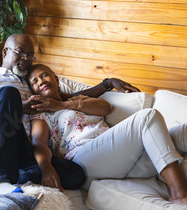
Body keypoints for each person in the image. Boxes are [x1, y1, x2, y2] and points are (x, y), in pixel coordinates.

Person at [0, 33, 139, 193]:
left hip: (24, 152)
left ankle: (19, 176)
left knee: (75, 174)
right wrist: (18, 107)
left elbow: (68, 100)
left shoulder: (32, 83)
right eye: (20, 52)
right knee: (8, 94)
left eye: (30, 54)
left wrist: (107, 83)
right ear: (5, 53)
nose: (26, 58)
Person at [27, 63, 187, 205]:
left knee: (182, 131)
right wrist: (45, 167)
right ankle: (179, 194)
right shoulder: (41, 114)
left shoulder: (76, 99)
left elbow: (105, 108)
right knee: (147, 117)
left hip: (117, 161)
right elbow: (38, 143)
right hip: (84, 161)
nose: (41, 81)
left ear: (55, 78)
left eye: (44, 75)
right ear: (32, 90)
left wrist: (61, 105)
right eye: (35, 82)